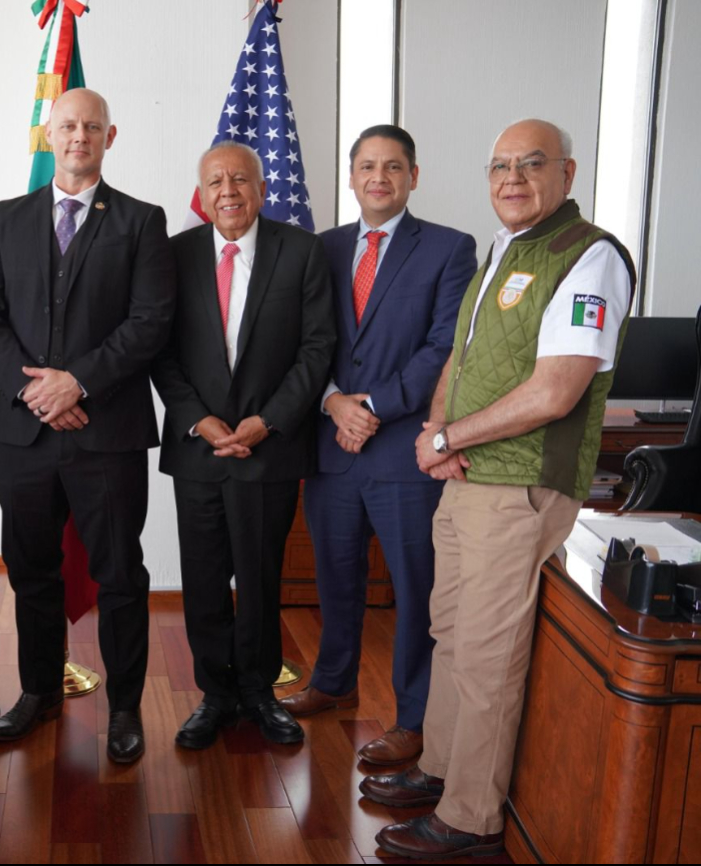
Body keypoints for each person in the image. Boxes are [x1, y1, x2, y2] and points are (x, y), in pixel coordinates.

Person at [367, 119, 635, 859]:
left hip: (518, 488)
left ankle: (468, 820)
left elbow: (554, 392)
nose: (511, 179)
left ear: (567, 174)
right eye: (499, 167)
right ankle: (440, 770)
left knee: (485, 657)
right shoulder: (503, 251)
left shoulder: (590, 257)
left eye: (530, 164)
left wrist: (449, 438)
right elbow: (459, 359)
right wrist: (434, 435)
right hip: (464, 478)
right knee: (449, 634)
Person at [0, 88, 176, 762]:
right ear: (46, 135)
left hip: (104, 434)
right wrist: (37, 394)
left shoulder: (142, 221)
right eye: (67, 126)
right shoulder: (4, 218)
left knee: (119, 575)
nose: (78, 135)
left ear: (109, 137)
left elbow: (149, 322)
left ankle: (123, 710)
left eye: (91, 126)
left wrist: (75, 382)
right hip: (22, 436)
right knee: (30, 570)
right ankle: (38, 691)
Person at [285, 125, 476, 765]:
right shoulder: (321, 248)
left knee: (414, 588)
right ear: (350, 176)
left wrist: (373, 406)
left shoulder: (450, 249)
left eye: (393, 167)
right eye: (367, 166)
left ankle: (414, 718)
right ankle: (333, 683)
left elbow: (444, 348)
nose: (379, 178)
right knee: (336, 579)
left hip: (403, 453)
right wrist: (334, 400)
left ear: (413, 176)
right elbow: (304, 341)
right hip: (333, 447)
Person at [152, 140, 334, 750]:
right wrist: (197, 419)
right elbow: (161, 351)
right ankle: (215, 694)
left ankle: (258, 692)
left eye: (239, 179)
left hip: (270, 447)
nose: (227, 191)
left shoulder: (302, 251)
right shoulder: (173, 255)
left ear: (261, 188)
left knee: (260, 577)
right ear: (201, 196)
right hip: (198, 447)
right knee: (203, 579)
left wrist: (267, 421)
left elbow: (316, 350)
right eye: (214, 183)